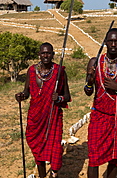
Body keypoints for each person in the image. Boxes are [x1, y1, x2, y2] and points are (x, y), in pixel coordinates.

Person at [84, 28, 117, 178]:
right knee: (93, 158)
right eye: (110, 41)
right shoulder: (95, 62)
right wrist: (89, 81)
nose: (113, 44)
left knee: (116, 157)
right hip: (99, 117)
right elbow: (88, 91)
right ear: (105, 42)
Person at [15, 42, 71, 178]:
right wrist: (21, 96)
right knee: (37, 149)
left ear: (53, 55)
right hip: (36, 117)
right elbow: (27, 92)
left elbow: (67, 96)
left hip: (53, 117)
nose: (46, 55)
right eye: (43, 53)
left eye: (48, 53)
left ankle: (54, 172)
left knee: (56, 150)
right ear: (39, 54)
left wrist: (59, 98)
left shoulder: (59, 72)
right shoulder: (32, 71)